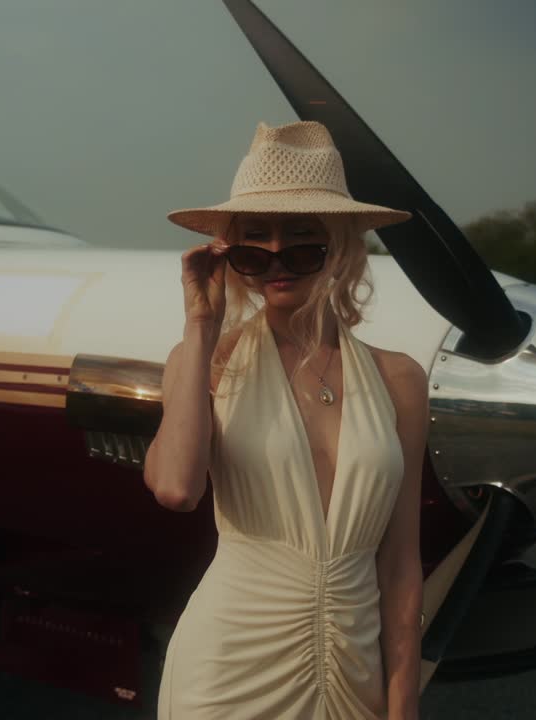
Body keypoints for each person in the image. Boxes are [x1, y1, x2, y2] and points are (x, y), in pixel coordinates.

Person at [145, 120, 429, 719]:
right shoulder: (206, 363)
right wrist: (201, 325)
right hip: (228, 670)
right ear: (230, 255)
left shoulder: (400, 380)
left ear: (344, 245)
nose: (278, 259)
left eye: (303, 240)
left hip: (356, 672)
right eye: (254, 244)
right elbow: (175, 489)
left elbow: (400, 562)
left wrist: (403, 703)